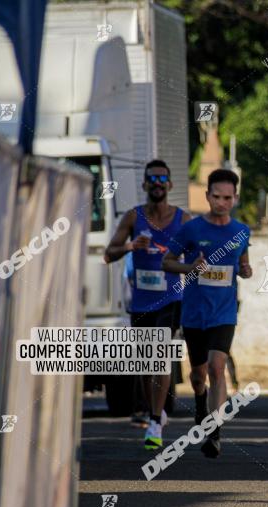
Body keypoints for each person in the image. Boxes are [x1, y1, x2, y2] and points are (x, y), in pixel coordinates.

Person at [162, 169, 252, 457]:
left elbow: (244, 265)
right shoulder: (192, 229)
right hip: (194, 313)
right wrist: (189, 268)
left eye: (227, 197)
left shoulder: (241, 231)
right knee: (198, 375)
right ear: (207, 196)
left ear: (235, 198)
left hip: (224, 313)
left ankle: (214, 431)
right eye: (217, 196)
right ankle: (200, 405)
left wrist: (247, 271)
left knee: (217, 366)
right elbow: (167, 262)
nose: (222, 202)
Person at [104, 159, 190, 448]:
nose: (157, 184)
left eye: (162, 180)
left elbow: (196, 253)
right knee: (144, 362)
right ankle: (154, 411)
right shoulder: (133, 217)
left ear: (170, 185)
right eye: (152, 180)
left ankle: (155, 418)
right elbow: (108, 253)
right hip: (140, 302)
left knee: (160, 355)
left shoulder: (183, 219)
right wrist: (130, 246)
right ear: (144, 184)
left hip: (170, 298)